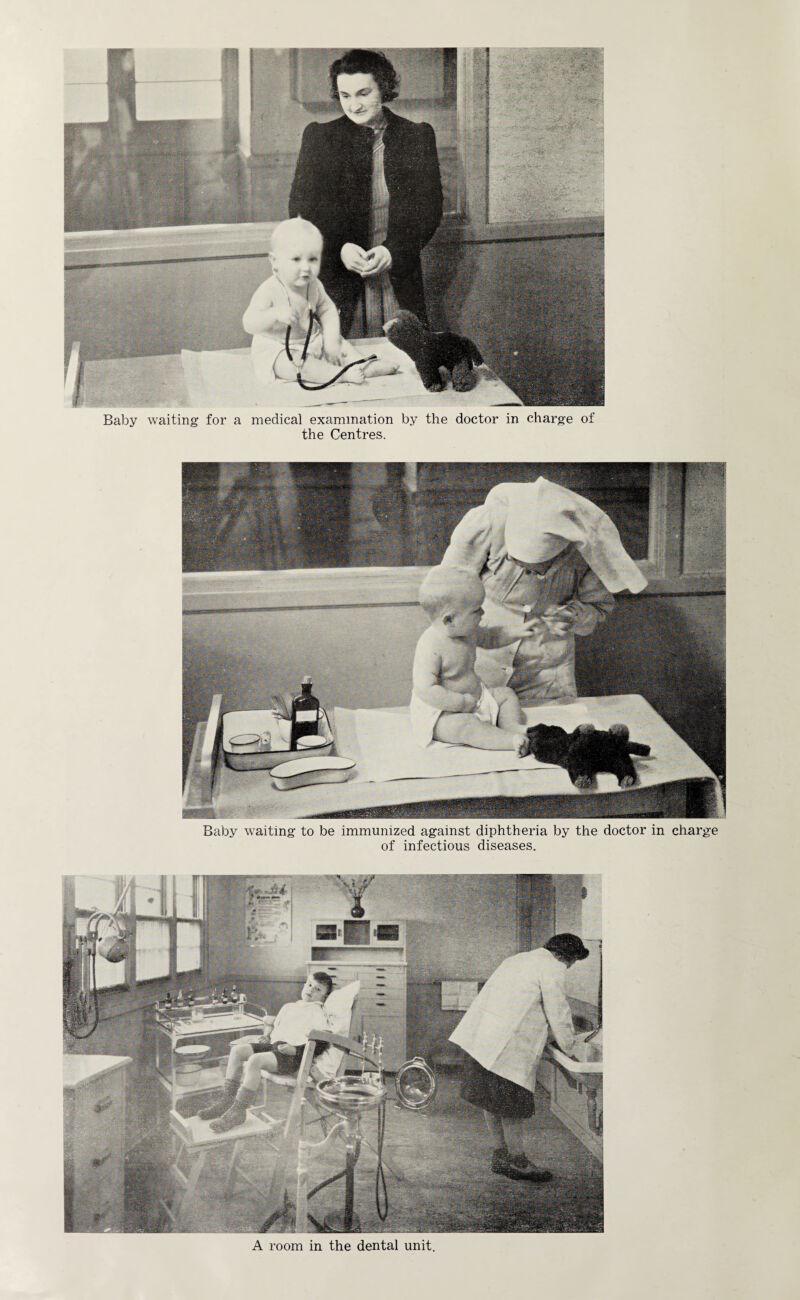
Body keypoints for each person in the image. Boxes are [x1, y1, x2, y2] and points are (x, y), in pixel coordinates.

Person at [440, 478, 648, 703]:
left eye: (529, 565)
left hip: (547, 668)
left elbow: (599, 607)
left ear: (558, 556)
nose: (516, 564)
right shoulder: (486, 523)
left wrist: (573, 616)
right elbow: (448, 589)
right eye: (513, 558)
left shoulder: (584, 549)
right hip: (482, 657)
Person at [289, 49, 443, 337]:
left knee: (405, 361)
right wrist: (338, 249)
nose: (354, 105)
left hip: (397, 277)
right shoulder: (319, 138)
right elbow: (302, 211)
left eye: (363, 93)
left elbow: (430, 210)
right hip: (338, 279)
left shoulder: (417, 136)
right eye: (345, 95)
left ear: (383, 89)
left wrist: (392, 250)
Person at [450, 933, 590, 1181]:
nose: (567, 968)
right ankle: (518, 1162)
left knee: (490, 1101)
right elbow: (557, 1011)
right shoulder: (552, 967)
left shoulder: (517, 960)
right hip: (507, 1048)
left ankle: (500, 1154)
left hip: (482, 1039)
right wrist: (570, 1045)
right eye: (571, 963)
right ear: (564, 956)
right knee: (511, 1107)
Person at [242, 217, 398, 385]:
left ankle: (362, 364)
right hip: (278, 348)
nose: (306, 267)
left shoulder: (314, 285)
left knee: (341, 345)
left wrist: (331, 342)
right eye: (296, 259)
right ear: (275, 261)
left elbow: (327, 310)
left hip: (313, 339)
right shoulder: (270, 290)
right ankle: (340, 374)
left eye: (313, 259)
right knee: (294, 365)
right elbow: (249, 323)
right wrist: (274, 314)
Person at [411, 566, 531, 755]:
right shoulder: (431, 645)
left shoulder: (467, 632)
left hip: (475, 700)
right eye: (476, 610)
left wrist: (518, 632)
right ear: (449, 620)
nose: (482, 613)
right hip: (443, 712)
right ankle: (509, 741)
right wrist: (459, 703)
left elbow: (493, 637)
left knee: (506, 694)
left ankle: (512, 726)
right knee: (466, 726)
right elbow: (425, 689)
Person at [197, 972, 334, 1132]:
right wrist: (267, 1036)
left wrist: (296, 1050)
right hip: (275, 1047)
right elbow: (281, 1029)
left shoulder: (317, 1012)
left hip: (293, 1057)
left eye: (318, 989)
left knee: (255, 1060)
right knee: (237, 1051)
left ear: (324, 997)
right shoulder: (290, 1006)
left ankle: (238, 1111)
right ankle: (227, 1100)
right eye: (309, 985)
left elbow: (322, 1043)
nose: (311, 990)